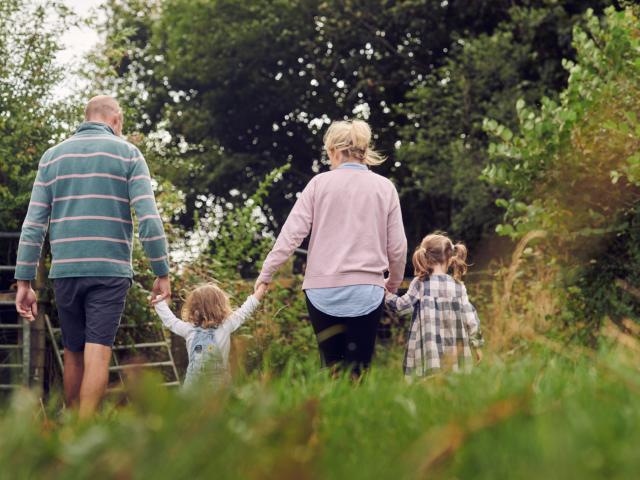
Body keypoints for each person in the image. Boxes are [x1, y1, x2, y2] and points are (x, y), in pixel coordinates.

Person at [14, 95, 170, 417]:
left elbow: (33, 225)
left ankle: (71, 434)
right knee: (97, 354)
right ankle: (87, 433)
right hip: (109, 270)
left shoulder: (52, 158)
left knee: (73, 352)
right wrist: (161, 271)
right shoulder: (128, 154)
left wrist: (24, 281)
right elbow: (150, 219)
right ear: (117, 120)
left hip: (65, 270)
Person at [255, 119, 407, 376]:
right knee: (359, 372)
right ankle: (356, 413)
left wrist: (266, 274)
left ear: (334, 151)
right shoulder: (385, 188)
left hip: (321, 293)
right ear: (363, 150)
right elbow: (398, 248)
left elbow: (291, 235)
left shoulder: (318, 184)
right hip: (367, 292)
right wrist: (392, 284)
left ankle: (333, 412)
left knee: (333, 370)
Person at [385, 233, 484, 377]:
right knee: (453, 386)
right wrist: (477, 345)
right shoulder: (458, 286)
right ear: (450, 259)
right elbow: (471, 317)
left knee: (428, 387)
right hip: (455, 351)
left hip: (428, 351)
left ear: (425, 257)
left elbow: (402, 306)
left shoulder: (420, 283)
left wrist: (385, 294)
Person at [153, 283, 267, 388]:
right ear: (220, 306)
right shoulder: (225, 327)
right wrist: (261, 288)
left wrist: (158, 298)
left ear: (193, 308)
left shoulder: (189, 330)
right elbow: (245, 310)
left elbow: (170, 320)